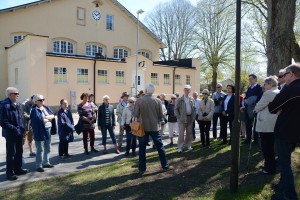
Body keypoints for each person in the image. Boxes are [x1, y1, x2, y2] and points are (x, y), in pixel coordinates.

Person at [268, 64, 300, 200]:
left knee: (284, 163)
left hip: (286, 131)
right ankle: (282, 185)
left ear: (292, 74)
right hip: (296, 131)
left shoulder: (290, 89)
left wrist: (281, 109)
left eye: (285, 74)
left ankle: (290, 196)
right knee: (285, 162)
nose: (283, 77)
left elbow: (272, 107)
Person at [134, 83, 172, 173]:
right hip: (155, 127)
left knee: (142, 148)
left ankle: (142, 168)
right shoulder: (158, 101)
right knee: (160, 147)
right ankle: (165, 166)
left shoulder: (139, 100)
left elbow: (135, 114)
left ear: (146, 90)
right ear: (153, 91)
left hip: (143, 127)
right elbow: (160, 115)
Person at [1, 87, 27, 180]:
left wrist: (23, 129)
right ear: (9, 95)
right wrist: (15, 129)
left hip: (19, 133)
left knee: (19, 152)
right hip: (11, 134)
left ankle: (18, 169)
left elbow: (20, 118)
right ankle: (10, 173)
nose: (18, 95)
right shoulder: (5, 105)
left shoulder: (18, 104)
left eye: (18, 93)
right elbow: (3, 122)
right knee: (11, 154)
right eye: (15, 94)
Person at [254, 76, 279, 175]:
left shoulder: (269, 93)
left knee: (266, 147)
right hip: (273, 123)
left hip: (266, 124)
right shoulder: (278, 91)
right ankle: (269, 165)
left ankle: (269, 168)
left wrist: (255, 109)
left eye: (265, 84)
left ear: (270, 84)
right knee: (270, 147)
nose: (263, 86)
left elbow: (259, 105)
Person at [30, 94, 55, 172]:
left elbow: (53, 116)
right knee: (40, 149)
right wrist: (48, 118)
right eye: (41, 100)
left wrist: (46, 118)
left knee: (48, 147)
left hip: (48, 129)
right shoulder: (34, 110)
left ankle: (46, 162)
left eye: (43, 99)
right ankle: (39, 165)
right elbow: (39, 121)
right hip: (39, 131)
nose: (43, 101)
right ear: (36, 101)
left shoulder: (46, 107)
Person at [242, 74, 263, 144]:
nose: (250, 80)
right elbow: (245, 97)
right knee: (248, 124)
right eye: (249, 79)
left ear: (255, 79)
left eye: (251, 79)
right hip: (248, 109)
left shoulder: (259, 87)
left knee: (256, 125)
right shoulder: (249, 88)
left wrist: (253, 103)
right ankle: (248, 139)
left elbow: (260, 97)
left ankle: (256, 140)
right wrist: (245, 101)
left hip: (256, 108)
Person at [175, 85, 196, 152]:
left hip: (190, 118)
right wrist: (179, 117)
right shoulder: (180, 99)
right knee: (181, 133)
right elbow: (176, 109)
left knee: (189, 133)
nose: (187, 91)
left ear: (190, 91)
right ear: (184, 90)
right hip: (182, 119)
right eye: (186, 89)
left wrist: (193, 117)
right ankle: (180, 147)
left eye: (188, 89)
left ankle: (188, 145)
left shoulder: (192, 99)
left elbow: (194, 108)